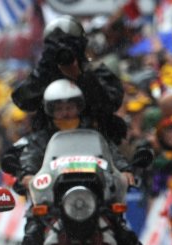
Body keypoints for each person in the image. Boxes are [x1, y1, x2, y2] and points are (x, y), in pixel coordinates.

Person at [8, 79, 136, 245]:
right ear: (50, 111)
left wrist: (125, 171)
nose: (65, 112)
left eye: (70, 106)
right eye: (59, 108)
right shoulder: (41, 138)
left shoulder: (94, 134)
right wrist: (27, 176)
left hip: (93, 201)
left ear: (79, 107)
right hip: (54, 204)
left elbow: (113, 157)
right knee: (31, 236)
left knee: (125, 235)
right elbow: (28, 160)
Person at [11, 15, 126, 146]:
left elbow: (112, 103)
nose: (64, 53)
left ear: (81, 46)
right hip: (51, 146)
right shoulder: (44, 73)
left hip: (96, 143)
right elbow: (22, 101)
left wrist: (81, 77)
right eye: (56, 47)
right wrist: (45, 69)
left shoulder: (95, 70)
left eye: (69, 46)